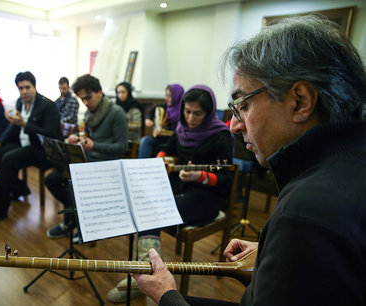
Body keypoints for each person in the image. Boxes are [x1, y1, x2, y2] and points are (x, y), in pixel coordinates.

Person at [132, 16, 366, 306]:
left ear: (300, 102)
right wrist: (273, 249)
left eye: (243, 105)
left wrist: (166, 294)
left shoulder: (307, 211)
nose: (233, 125)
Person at [108, 85, 234, 303]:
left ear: (209, 112)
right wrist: (160, 157)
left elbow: (225, 178)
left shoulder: (221, 136)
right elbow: (168, 147)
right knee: (144, 203)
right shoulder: (181, 129)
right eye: (187, 111)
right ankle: (149, 276)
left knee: (152, 212)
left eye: (197, 113)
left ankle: (150, 279)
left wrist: (201, 177)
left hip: (205, 197)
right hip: (180, 189)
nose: (191, 118)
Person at [0, 71, 61, 229]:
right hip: (23, 143)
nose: (24, 92)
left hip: (40, 149)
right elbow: (14, 127)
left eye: (27, 87)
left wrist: (24, 124)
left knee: (9, 159)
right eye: (20, 88)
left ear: (34, 87)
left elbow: (52, 135)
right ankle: (19, 187)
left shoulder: (47, 105)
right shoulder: (20, 102)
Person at [45, 74, 128, 238]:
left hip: (107, 167)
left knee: (71, 183)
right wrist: (78, 138)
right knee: (52, 179)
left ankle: (80, 224)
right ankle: (75, 220)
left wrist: (94, 146)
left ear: (100, 92)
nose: (86, 103)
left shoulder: (116, 113)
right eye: (83, 99)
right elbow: (91, 137)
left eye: (88, 97)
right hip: (89, 161)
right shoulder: (91, 113)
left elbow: (122, 148)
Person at [138, 84, 184, 158]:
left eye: (170, 96)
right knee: (146, 140)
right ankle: (142, 166)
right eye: (166, 95)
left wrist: (164, 132)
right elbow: (153, 111)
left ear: (177, 96)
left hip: (174, 141)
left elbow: (179, 132)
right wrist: (148, 119)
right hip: (161, 139)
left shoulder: (183, 112)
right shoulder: (165, 107)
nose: (167, 98)